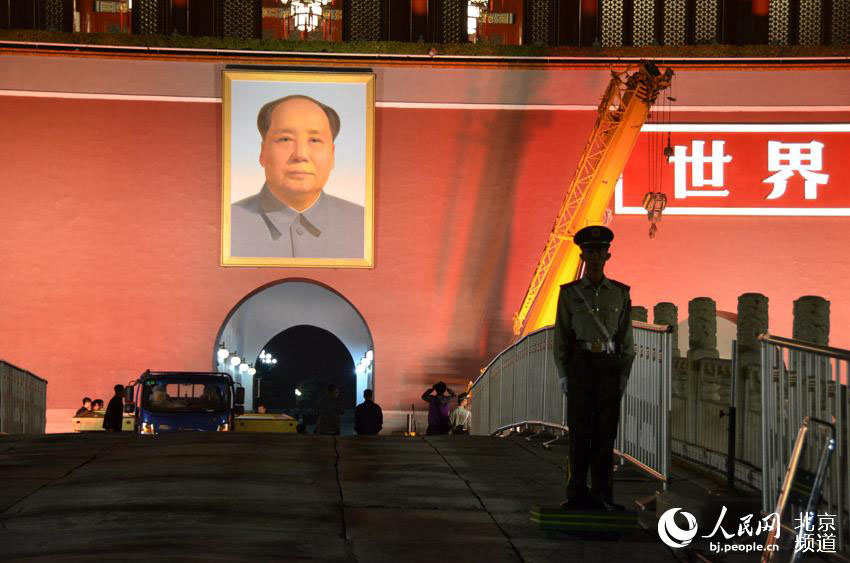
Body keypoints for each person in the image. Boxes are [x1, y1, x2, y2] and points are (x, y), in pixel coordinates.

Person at [553, 225, 635, 512]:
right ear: (583, 255)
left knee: (605, 433)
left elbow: (626, 338)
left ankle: (602, 495)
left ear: (608, 255)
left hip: (609, 367)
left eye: (600, 251)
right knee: (579, 432)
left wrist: (624, 374)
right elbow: (561, 336)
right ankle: (576, 494)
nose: (596, 256)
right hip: (580, 365)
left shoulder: (621, 293)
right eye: (590, 251)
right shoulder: (569, 293)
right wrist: (563, 373)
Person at [231, 95, 365, 259]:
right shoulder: (228, 223)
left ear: (332, 155)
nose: (300, 155)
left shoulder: (363, 224)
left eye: (314, 140)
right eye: (285, 139)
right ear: (263, 153)